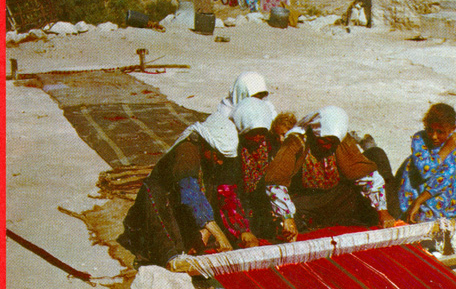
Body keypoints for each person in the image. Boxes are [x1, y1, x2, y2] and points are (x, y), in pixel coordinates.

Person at [119, 112, 259, 265]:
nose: (220, 162)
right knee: (174, 252)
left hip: (181, 207)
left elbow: (210, 193)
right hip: (159, 205)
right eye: (218, 156)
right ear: (206, 144)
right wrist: (218, 233)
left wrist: (207, 232)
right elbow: (190, 193)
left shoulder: (208, 157)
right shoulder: (187, 150)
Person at [263, 106, 396, 241]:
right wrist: (287, 217)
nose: (328, 147)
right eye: (324, 141)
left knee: (372, 202)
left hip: (335, 196)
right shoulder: (296, 141)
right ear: (316, 133)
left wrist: (382, 211)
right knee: (283, 225)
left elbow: (365, 176)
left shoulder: (341, 142)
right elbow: (275, 181)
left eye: (332, 143)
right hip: (306, 200)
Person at [231, 98, 295, 240]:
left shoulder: (269, 144)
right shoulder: (234, 147)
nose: (258, 138)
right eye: (253, 133)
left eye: (262, 133)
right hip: (241, 200)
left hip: (262, 198)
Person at [397, 103, 456, 225]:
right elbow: (425, 171)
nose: (434, 136)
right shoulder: (419, 138)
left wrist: (419, 201)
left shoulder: (455, 141)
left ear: (452, 129)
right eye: (430, 130)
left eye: (440, 132)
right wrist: (445, 149)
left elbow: (445, 176)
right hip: (416, 187)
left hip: (438, 189)